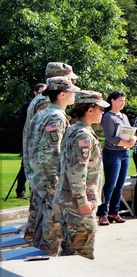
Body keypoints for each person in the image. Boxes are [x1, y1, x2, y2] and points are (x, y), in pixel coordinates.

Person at [21, 62, 79, 241]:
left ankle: (32, 250)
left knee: (38, 222)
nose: (74, 84)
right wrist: (55, 182)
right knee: (49, 227)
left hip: (37, 172)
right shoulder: (49, 106)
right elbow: (50, 150)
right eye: (70, 80)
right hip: (45, 175)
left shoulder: (42, 100)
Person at [52, 90, 108, 259]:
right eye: (101, 108)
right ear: (90, 110)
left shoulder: (74, 129)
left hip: (70, 203)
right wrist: (83, 202)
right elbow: (78, 171)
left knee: (70, 252)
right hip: (78, 206)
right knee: (81, 255)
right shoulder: (83, 134)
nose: (103, 112)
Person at [97, 90, 135, 225]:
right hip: (113, 153)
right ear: (112, 101)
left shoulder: (123, 116)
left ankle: (114, 211)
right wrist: (124, 142)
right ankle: (102, 213)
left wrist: (133, 139)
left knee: (120, 185)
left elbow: (130, 131)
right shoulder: (108, 117)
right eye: (120, 100)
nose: (123, 103)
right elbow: (110, 138)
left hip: (125, 153)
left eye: (124, 101)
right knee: (110, 185)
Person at [15, 83, 46, 200]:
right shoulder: (28, 105)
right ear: (35, 92)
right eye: (40, 92)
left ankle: (33, 190)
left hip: (41, 141)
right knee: (25, 165)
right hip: (29, 139)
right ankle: (20, 190)